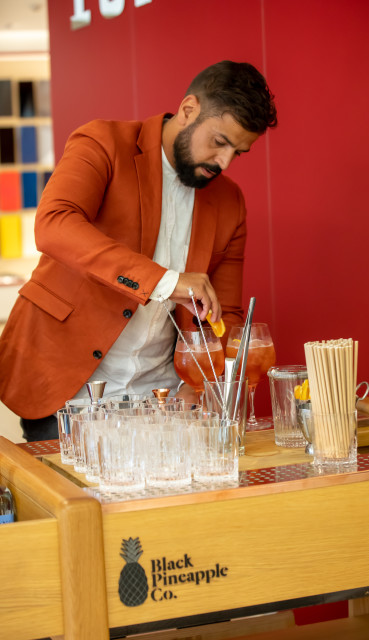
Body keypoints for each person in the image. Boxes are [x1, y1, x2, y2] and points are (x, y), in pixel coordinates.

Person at [0, 60, 277, 442]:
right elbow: (54, 224)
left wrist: (197, 385)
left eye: (238, 152)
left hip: (162, 400)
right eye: (219, 142)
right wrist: (166, 281)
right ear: (188, 110)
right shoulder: (103, 142)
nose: (224, 162)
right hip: (66, 390)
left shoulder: (230, 202)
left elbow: (224, 314)